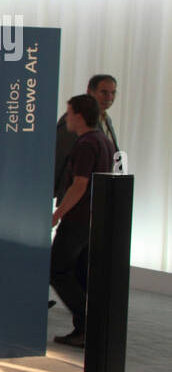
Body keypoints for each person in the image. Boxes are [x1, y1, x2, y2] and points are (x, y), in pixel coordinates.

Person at [49, 94, 116, 348]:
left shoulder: (86, 144)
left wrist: (58, 214)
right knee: (77, 273)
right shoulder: (102, 141)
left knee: (57, 269)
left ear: (78, 115)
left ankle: (86, 324)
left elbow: (79, 185)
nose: (66, 118)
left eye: (68, 112)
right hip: (92, 218)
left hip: (78, 219)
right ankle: (88, 327)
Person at [55, 74, 118, 203]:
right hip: (76, 196)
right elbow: (61, 157)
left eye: (113, 93)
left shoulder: (106, 120)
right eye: (104, 92)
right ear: (90, 92)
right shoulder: (75, 120)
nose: (109, 98)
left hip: (98, 193)